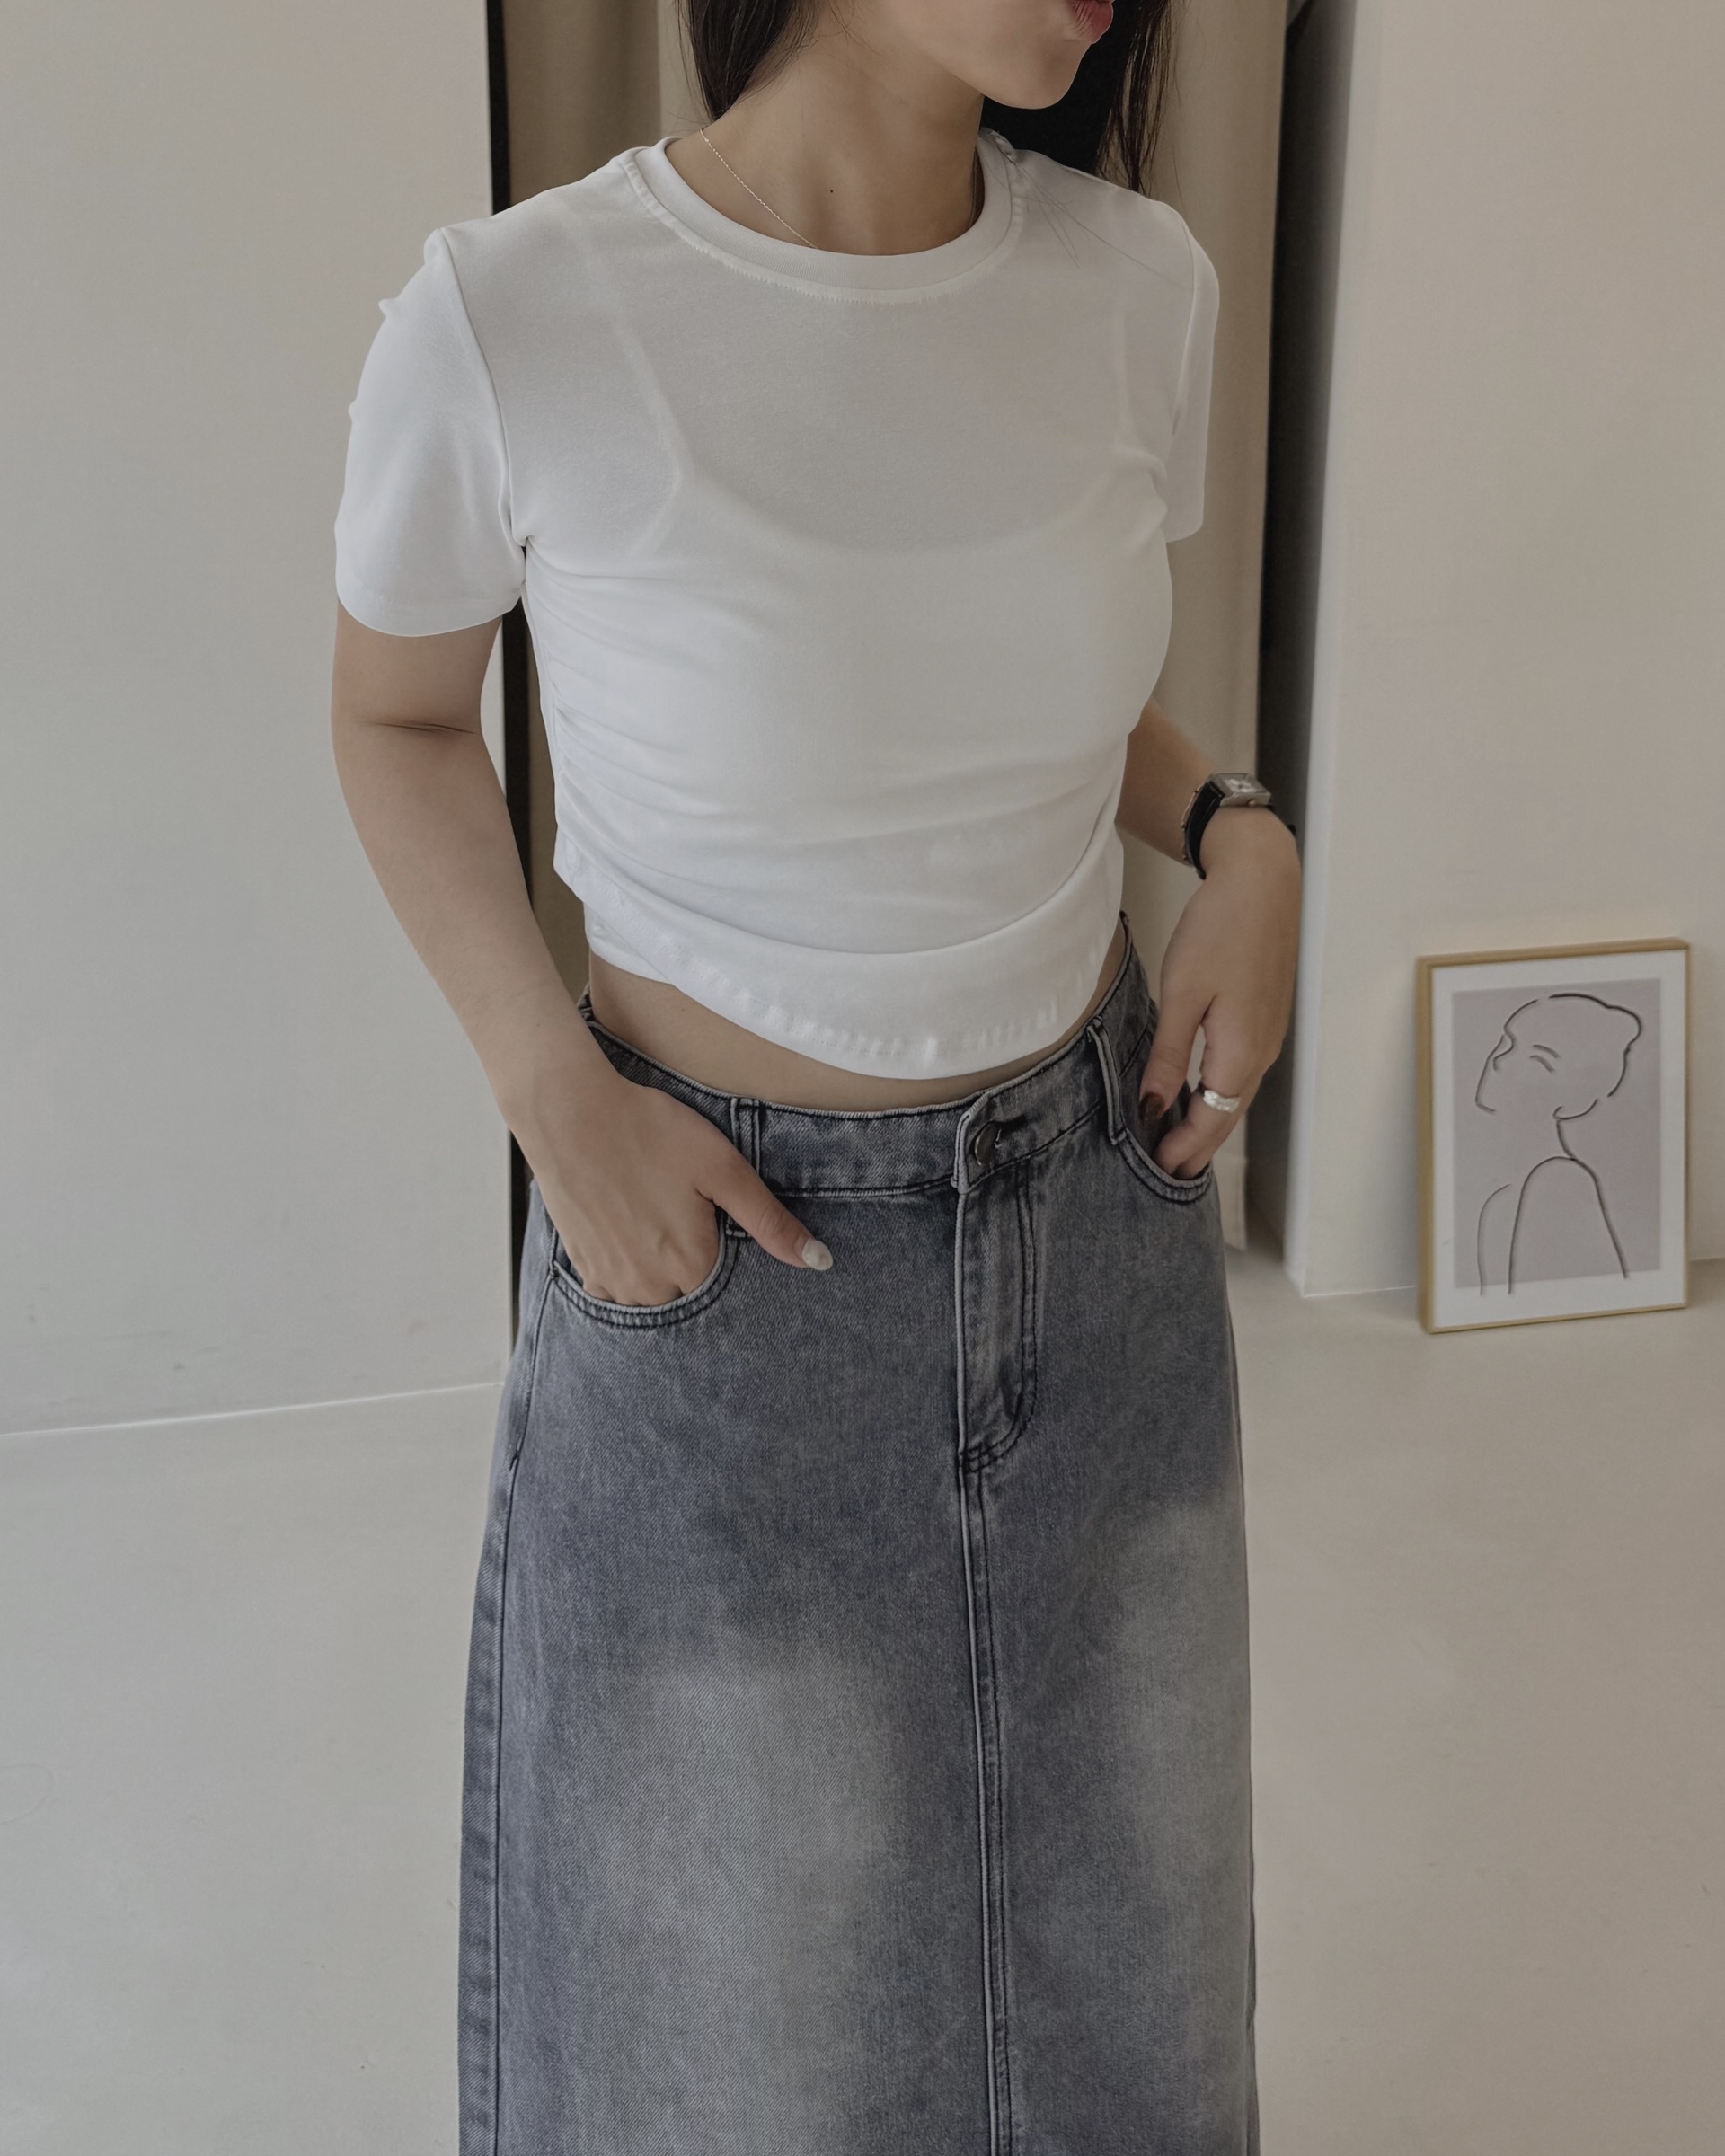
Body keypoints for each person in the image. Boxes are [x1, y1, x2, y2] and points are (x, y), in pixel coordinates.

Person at [330, 1, 1299, 2148]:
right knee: (738, 2057)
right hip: (734, 1285)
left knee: (1135, 2005)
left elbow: (1029, 686)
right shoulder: (521, 315)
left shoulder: (1137, 282)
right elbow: (394, 718)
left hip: (1100, 1228)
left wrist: (1241, 833)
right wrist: (550, 1093)